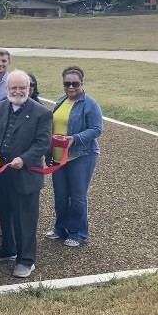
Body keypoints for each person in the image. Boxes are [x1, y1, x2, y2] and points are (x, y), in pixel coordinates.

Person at [0, 70, 52, 278]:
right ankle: (8, 249)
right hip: (1, 175)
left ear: (29, 89)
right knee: (4, 214)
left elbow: (42, 144)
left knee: (25, 220)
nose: (18, 91)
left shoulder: (42, 113)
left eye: (23, 87)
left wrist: (24, 159)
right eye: (14, 87)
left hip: (25, 175)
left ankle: (26, 259)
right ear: (7, 89)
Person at [46, 66, 103, 247]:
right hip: (58, 157)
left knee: (77, 196)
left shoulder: (90, 104)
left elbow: (96, 129)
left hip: (81, 155)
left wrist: (75, 139)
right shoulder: (60, 101)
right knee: (61, 196)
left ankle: (78, 232)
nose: (71, 87)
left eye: (75, 83)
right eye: (67, 83)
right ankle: (60, 228)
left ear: (81, 83)